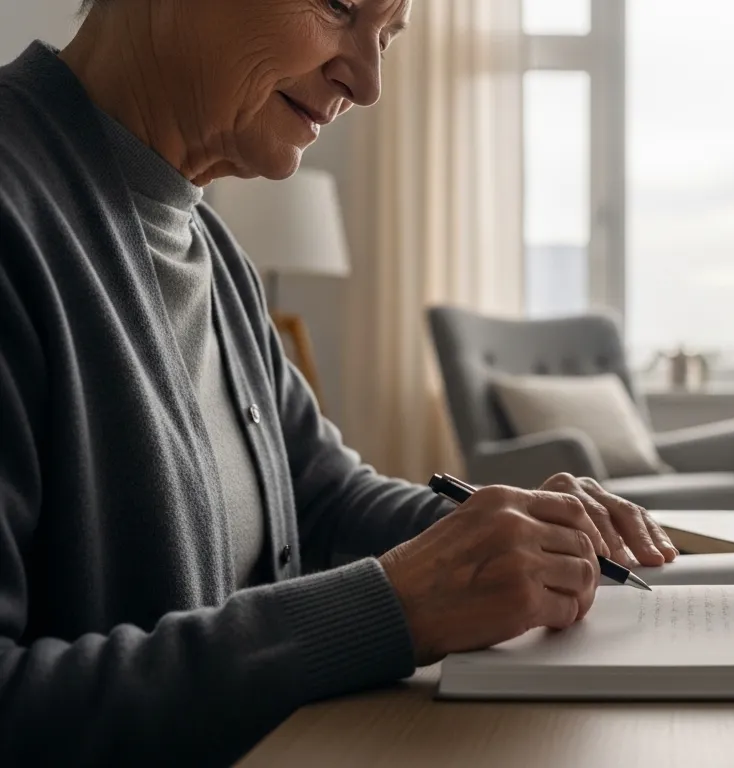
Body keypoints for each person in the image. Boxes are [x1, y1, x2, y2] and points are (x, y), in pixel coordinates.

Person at [0, 0, 678, 763]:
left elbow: (323, 498)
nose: (366, 81)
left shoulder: (213, 253)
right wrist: (391, 610)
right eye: (338, 8)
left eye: (385, 37)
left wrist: (513, 533)